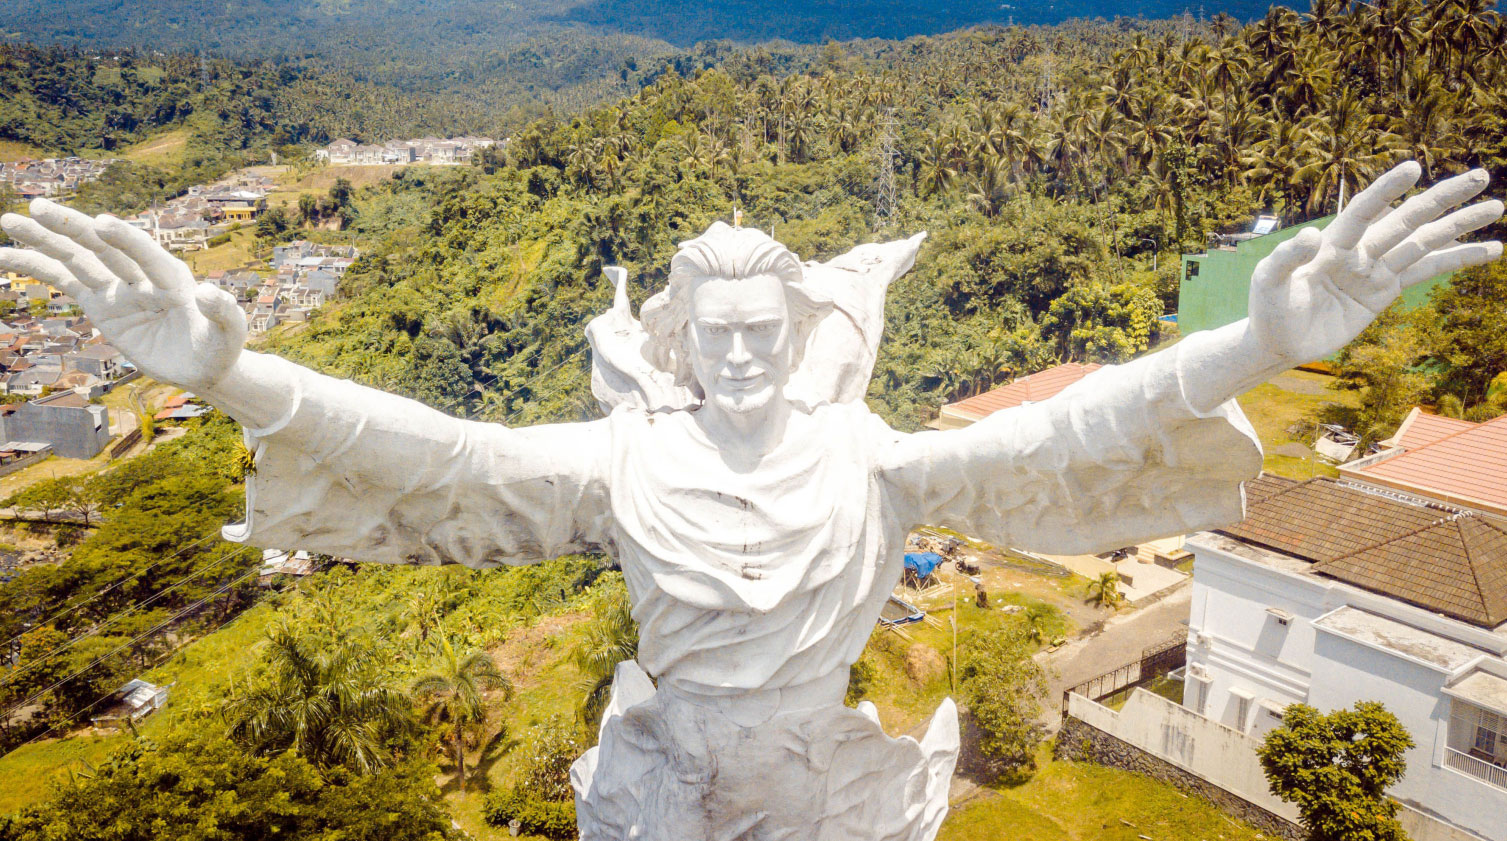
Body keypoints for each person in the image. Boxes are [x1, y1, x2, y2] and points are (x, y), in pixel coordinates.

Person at [0, 162, 1499, 841]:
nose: (730, 356)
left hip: (828, 775)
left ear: (795, 339)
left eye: (758, 335)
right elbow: (432, 453)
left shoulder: (876, 462)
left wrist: (1261, 339)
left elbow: (1083, 425)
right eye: (705, 337)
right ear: (674, 342)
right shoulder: (623, 461)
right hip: (664, 771)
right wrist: (235, 374)